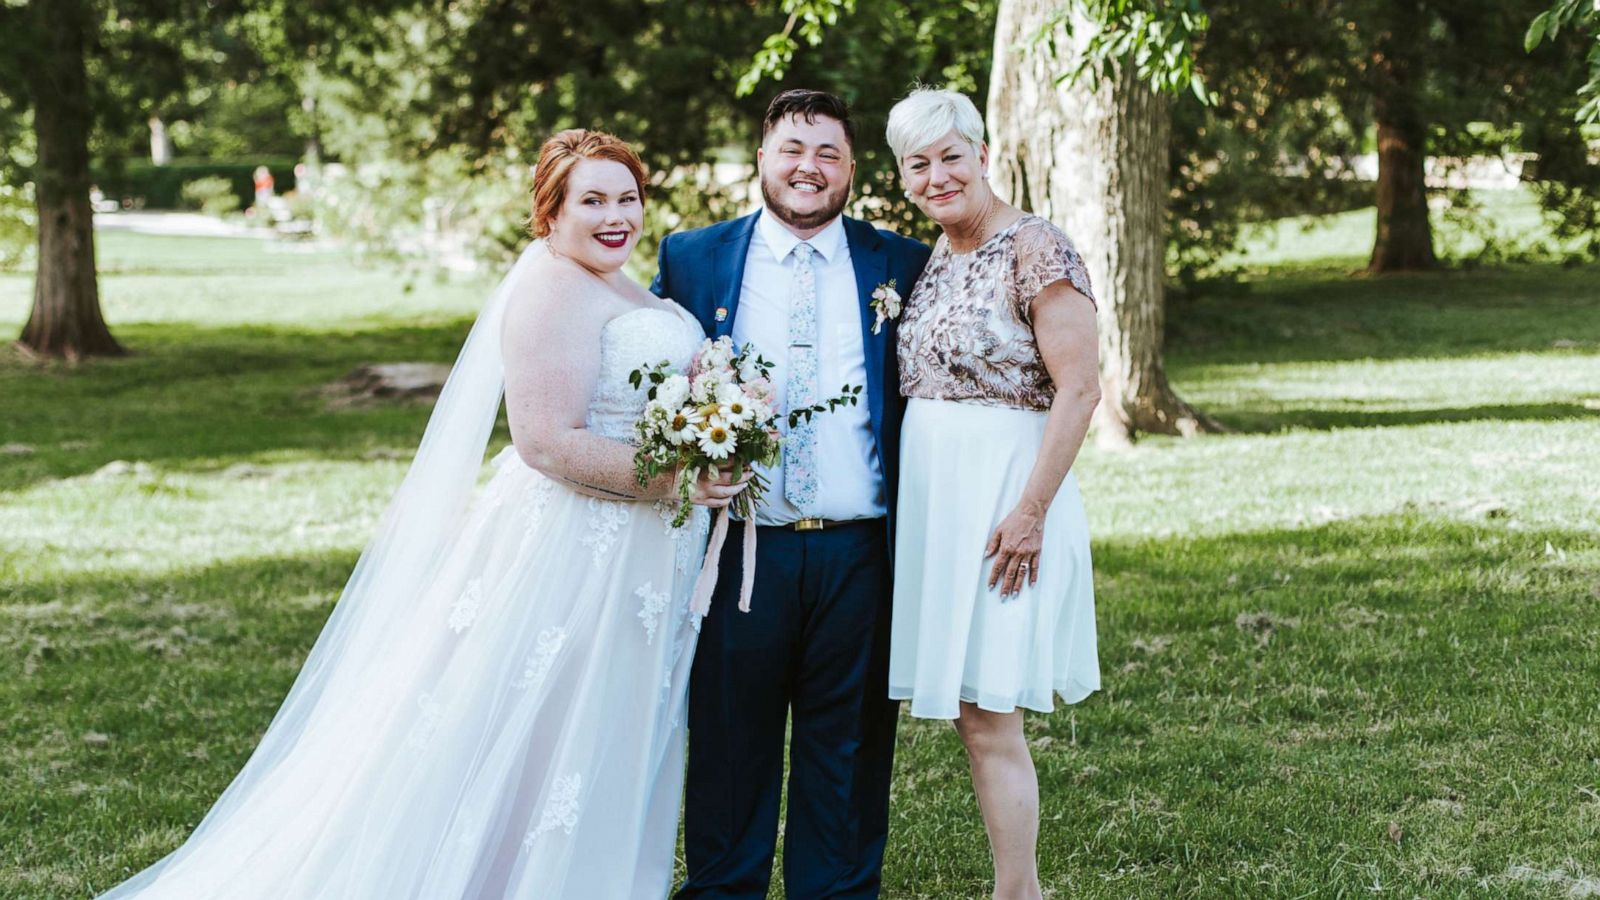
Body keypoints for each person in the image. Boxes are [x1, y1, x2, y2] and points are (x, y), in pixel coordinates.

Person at [98, 130, 746, 899]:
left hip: (639, 555)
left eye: (627, 198)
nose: (616, 216)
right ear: (552, 213)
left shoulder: (629, 286)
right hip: (571, 548)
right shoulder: (551, 283)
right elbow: (543, 441)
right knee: (530, 731)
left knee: (594, 733)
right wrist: (676, 479)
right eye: (592, 201)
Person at [652, 89, 932, 899]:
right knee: (730, 744)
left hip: (859, 550)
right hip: (741, 548)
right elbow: (657, 389)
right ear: (762, 160)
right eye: (792, 149)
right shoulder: (693, 257)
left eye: (828, 154)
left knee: (846, 751)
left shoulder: (901, 264)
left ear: (851, 171)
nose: (808, 167)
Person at [884, 87, 1102, 900]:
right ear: (903, 175)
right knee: (974, 718)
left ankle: (1020, 892)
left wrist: (1030, 513)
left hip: (1008, 502)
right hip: (941, 507)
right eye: (918, 163)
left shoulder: (1035, 246)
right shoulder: (934, 255)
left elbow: (1079, 389)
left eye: (950, 156)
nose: (937, 175)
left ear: (982, 153)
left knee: (989, 717)